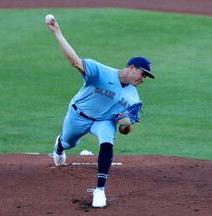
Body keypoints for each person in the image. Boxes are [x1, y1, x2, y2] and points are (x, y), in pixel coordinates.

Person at [46, 17, 155, 208]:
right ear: (131, 68)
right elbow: (74, 60)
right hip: (78, 115)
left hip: (103, 121)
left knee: (107, 142)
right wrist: (57, 32)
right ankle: (59, 146)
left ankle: (100, 190)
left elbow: (125, 130)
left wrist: (126, 125)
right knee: (68, 142)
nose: (143, 79)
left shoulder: (134, 99)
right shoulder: (100, 71)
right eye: (143, 73)